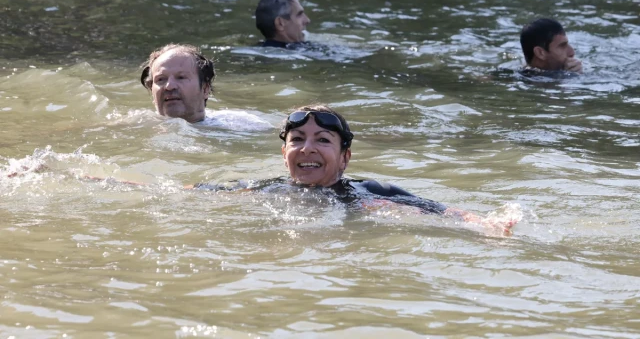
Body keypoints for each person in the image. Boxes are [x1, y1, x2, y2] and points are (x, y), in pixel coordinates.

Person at [196, 105, 517, 232]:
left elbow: (439, 210)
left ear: (345, 157)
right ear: (284, 153)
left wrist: (488, 224)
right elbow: (202, 194)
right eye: (297, 140)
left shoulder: (367, 193)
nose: (307, 148)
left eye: (322, 140)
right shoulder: (268, 188)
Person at [139, 44, 271, 129]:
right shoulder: (136, 125)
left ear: (205, 89)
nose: (169, 86)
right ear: (151, 91)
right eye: (161, 79)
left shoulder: (244, 125)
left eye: (181, 77)